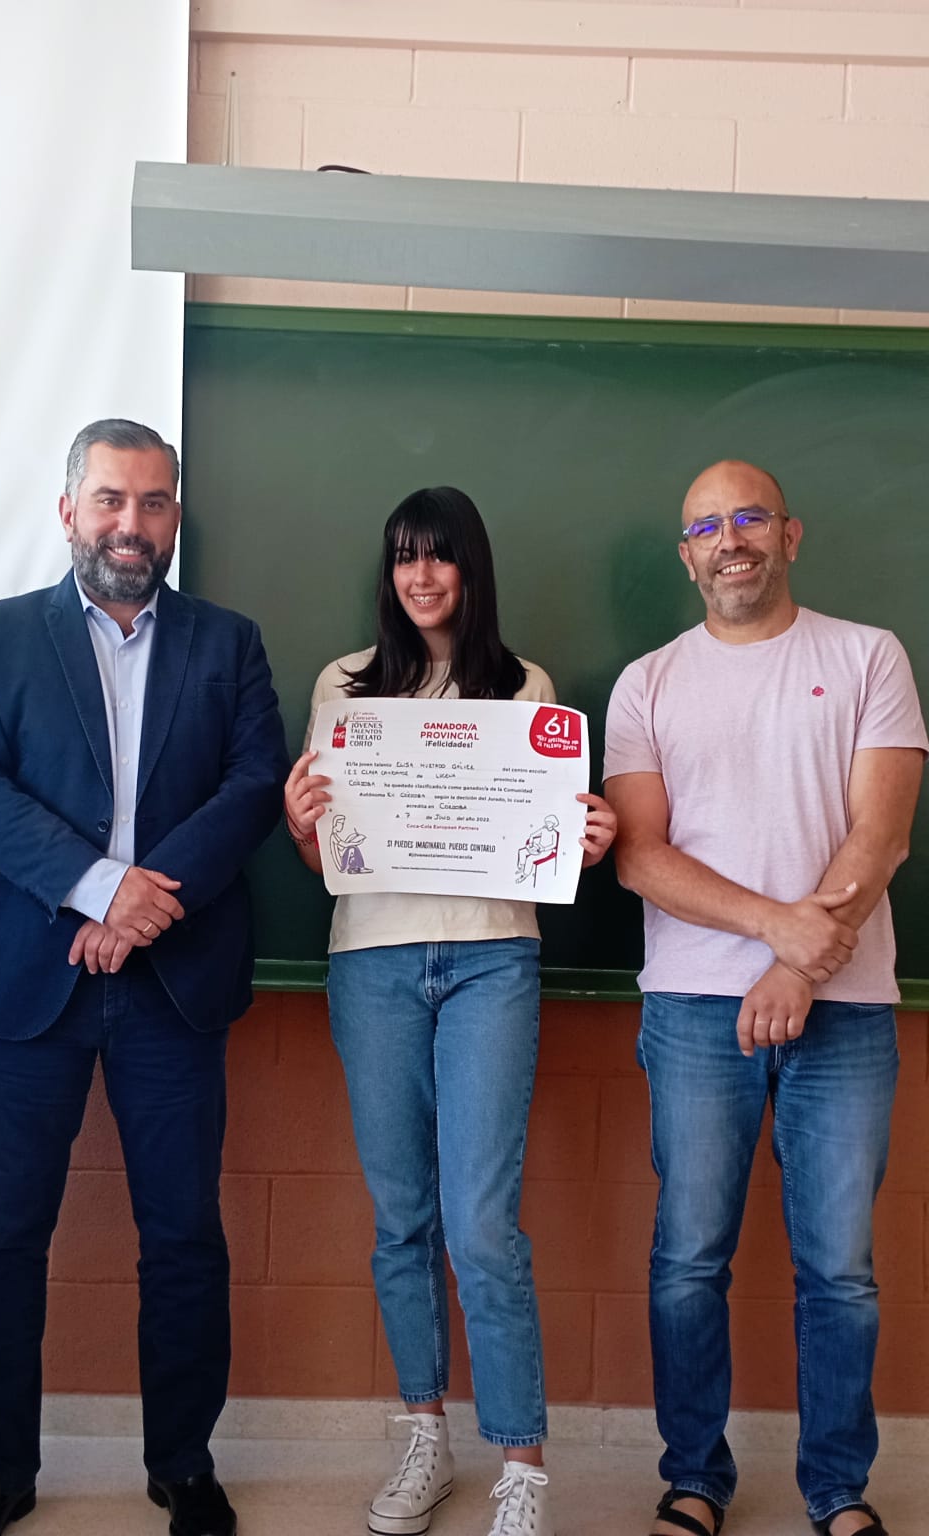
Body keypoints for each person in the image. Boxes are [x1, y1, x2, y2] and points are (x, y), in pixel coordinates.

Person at [0, 418, 288, 1536]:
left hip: (173, 981)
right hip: (23, 979)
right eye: (112, 500)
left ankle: (182, 1463)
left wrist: (143, 902)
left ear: (176, 515)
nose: (133, 524)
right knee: (3, 1231)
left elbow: (252, 783)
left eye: (156, 502)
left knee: (183, 1234)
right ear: (69, 510)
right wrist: (96, 888)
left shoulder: (228, 641)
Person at [601, 461, 929, 1536]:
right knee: (689, 1258)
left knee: (840, 1269)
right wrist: (771, 931)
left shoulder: (868, 655)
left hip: (845, 1010)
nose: (729, 540)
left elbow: (881, 836)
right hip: (695, 1012)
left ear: (791, 534)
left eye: (748, 519)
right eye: (706, 526)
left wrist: (801, 962)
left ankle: (837, 1489)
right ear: (684, 552)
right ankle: (694, 1478)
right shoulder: (647, 683)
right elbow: (641, 858)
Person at [282, 487, 617, 1536]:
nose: (420, 577)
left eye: (439, 558)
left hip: (490, 962)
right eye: (403, 559)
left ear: (471, 568)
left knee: (481, 1224)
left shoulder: (528, 692)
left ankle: (522, 1470)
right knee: (402, 1218)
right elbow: (331, 862)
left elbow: (545, 847)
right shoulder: (345, 684)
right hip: (374, 960)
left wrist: (581, 842)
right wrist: (301, 826)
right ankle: (425, 1432)